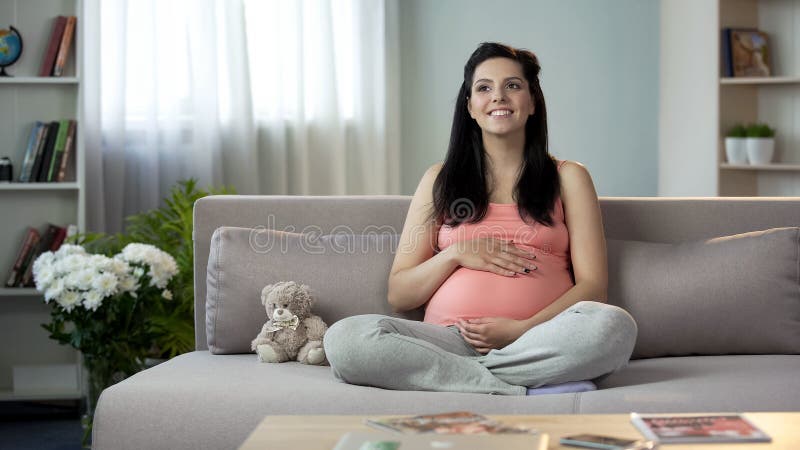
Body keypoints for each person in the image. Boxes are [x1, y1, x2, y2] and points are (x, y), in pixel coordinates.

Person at [324, 42, 637, 395]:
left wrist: (522, 329)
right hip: (447, 340)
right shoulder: (438, 180)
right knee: (345, 340)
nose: (498, 97)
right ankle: (522, 384)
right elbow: (400, 293)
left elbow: (593, 288)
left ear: (532, 102)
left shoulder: (569, 177)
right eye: (484, 87)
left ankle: (462, 379)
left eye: (513, 86)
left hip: (539, 336)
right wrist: (457, 253)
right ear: (470, 106)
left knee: (614, 326)